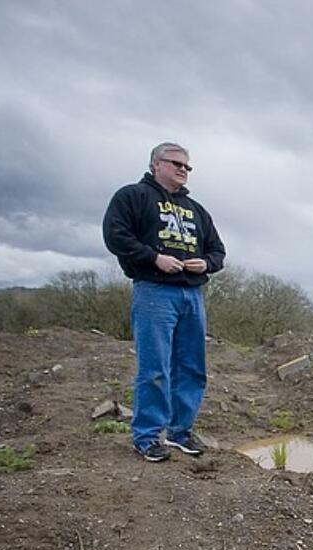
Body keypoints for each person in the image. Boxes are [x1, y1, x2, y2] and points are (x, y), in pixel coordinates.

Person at [102, 142, 225, 462]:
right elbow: (116, 236)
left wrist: (206, 263)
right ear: (156, 164)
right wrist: (154, 257)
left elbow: (218, 251)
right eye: (176, 164)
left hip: (192, 295)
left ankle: (180, 432)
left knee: (192, 368)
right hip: (154, 291)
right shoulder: (133, 196)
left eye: (187, 166)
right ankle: (146, 437)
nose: (183, 170)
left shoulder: (197, 210)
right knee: (155, 368)